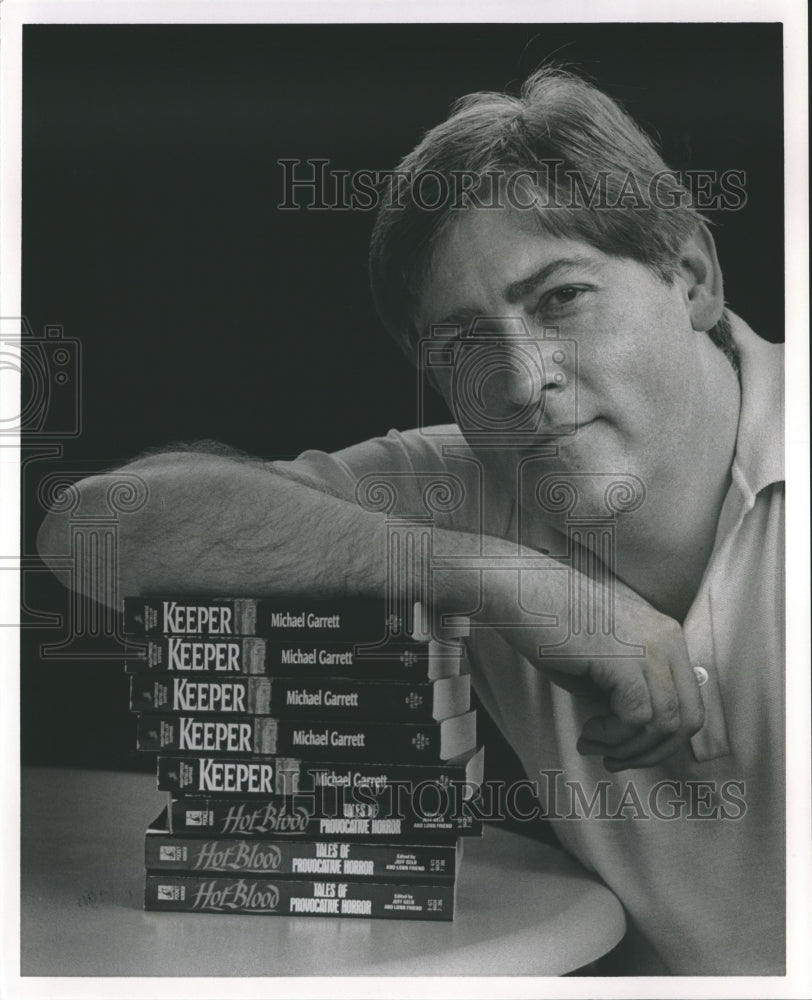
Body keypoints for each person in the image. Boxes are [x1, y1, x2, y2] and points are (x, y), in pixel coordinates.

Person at [37, 68, 784, 974]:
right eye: (466, 344)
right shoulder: (467, 487)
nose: (519, 380)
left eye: (562, 298)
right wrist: (487, 575)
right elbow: (90, 532)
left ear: (693, 278)